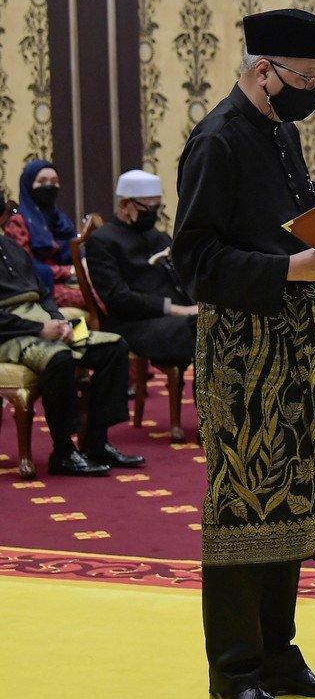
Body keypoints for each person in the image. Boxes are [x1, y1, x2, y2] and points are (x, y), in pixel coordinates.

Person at [173, 8, 315, 699]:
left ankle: (277, 655)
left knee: (290, 499)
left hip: (296, 347)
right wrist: (297, 268)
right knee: (241, 508)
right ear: (264, 72)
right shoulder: (217, 141)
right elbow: (194, 264)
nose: (310, 92)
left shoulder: (282, 134)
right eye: (305, 79)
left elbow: (299, 235)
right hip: (242, 356)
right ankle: (233, 673)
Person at [0, 231, 143, 477]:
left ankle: (96, 443)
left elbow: (43, 293)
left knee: (114, 346)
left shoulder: (10, 246)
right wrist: (40, 329)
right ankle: (64, 452)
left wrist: (59, 321)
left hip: (44, 322)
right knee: (59, 359)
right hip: (10, 334)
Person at [83, 170, 197, 369]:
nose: (153, 214)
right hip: (136, 324)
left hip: (176, 318)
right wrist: (178, 310)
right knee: (201, 327)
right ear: (125, 205)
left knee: (218, 319)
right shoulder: (103, 241)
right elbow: (118, 298)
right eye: (149, 208)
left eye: (157, 207)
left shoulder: (156, 235)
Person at [16, 159, 86, 308]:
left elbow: (76, 253)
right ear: (29, 186)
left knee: (107, 291)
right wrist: (69, 271)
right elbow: (26, 267)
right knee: (95, 298)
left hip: (72, 281)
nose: (49, 186)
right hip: (42, 286)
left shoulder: (60, 219)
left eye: (54, 181)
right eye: (41, 182)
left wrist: (82, 265)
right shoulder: (18, 222)